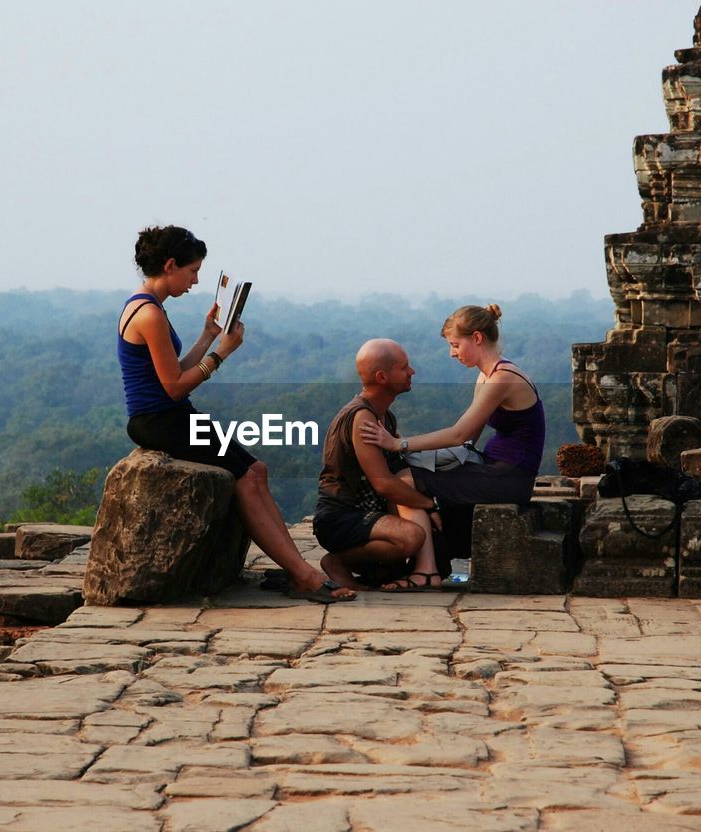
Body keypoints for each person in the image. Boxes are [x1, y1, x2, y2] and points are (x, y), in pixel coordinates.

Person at [119, 224, 354, 603]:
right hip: (160, 422)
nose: (196, 281)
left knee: (256, 470)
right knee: (245, 477)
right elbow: (175, 386)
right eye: (193, 270)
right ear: (170, 265)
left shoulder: (150, 307)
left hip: (173, 416)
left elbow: (175, 371)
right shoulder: (148, 314)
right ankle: (305, 577)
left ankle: (296, 569)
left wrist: (209, 336)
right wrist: (222, 353)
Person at [360, 304, 545, 591]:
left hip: (510, 477)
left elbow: (461, 433)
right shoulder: (486, 375)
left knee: (405, 481)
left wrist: (398, 443)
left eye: (456, 345)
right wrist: (421, 456)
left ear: (477, 338)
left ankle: (427, 570)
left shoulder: (502, 378)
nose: (452, 352)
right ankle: (431, 564)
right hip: (492, 466)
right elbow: (468, 441)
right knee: (411, 473)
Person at [313, 339, 438, 591]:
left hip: (368, 514)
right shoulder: (362, 418)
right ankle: (336, 562)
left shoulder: (384, 416)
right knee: (411, 536)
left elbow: (401, 470)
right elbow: (383, 484)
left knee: (392, 567)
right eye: (404, 367)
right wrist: (429, 505)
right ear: (382, 377)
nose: (411, 372)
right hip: (342, 516)